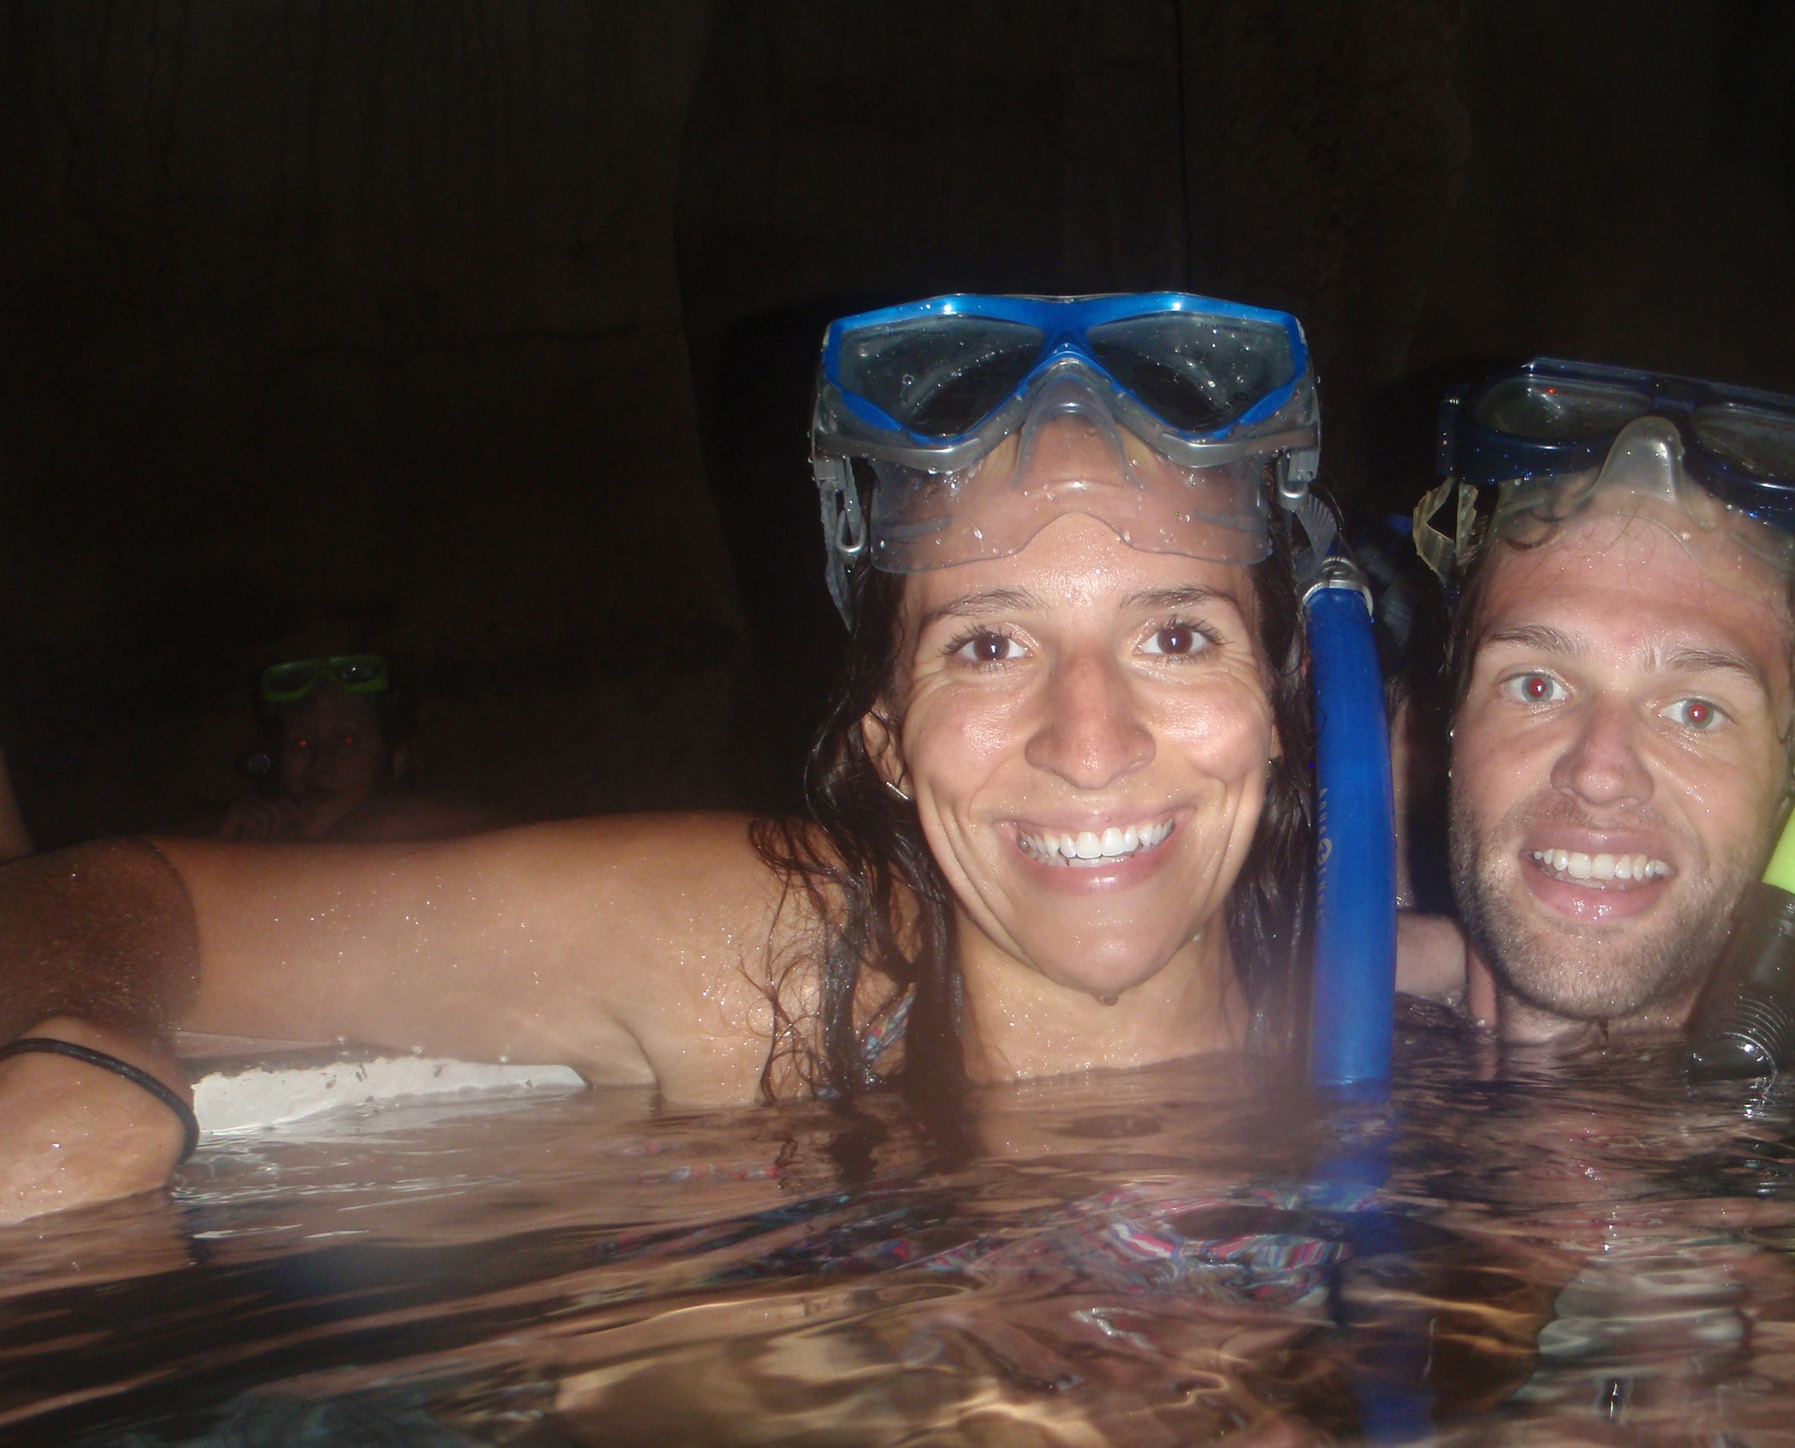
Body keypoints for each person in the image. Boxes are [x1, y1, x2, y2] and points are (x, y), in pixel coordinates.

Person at [0, 292, 1325, 1222]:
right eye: (987, 645)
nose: (1090, 744)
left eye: (1175, 636)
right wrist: (97, 1048)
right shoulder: (758, 961)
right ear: (888, 739)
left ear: (1272, 700)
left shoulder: (1389, 1015)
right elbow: (107, 896)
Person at [1394, 359, 1795, 1048]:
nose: (1600, 774)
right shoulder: (1290, 1023)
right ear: (1448, 728)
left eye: (1696, 712)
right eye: (1537, 686)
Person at [213, 652, 491, 843]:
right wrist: (226, 850)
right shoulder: (256, 842)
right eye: (302, 743)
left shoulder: (432, 832)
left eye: (346, 742)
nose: (319, 765)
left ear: (395, 761)